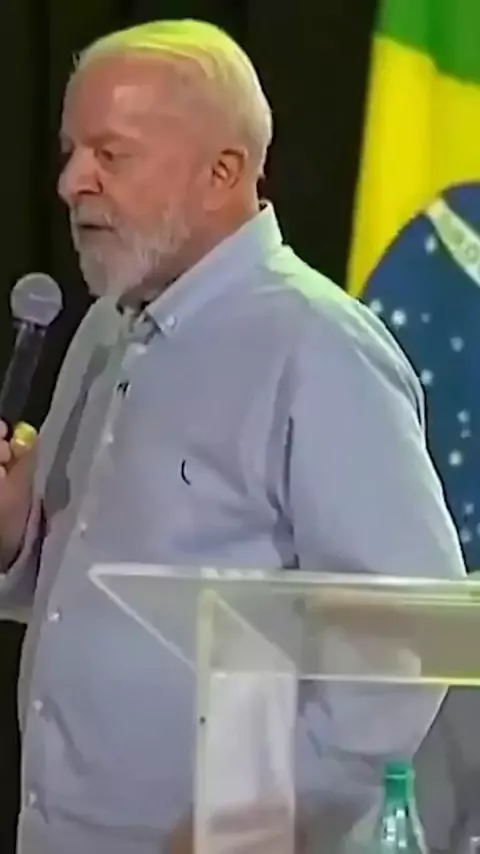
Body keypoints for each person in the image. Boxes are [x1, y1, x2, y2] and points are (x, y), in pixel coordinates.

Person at [0, 18, 467, 854]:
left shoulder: (317, 346)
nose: (71, 182)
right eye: (70, 151)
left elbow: (406, 639)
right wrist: (14, 540)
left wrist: (253, 821)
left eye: (111, 154)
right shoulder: (104, 329)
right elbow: (94, 594)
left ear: (223, 172)